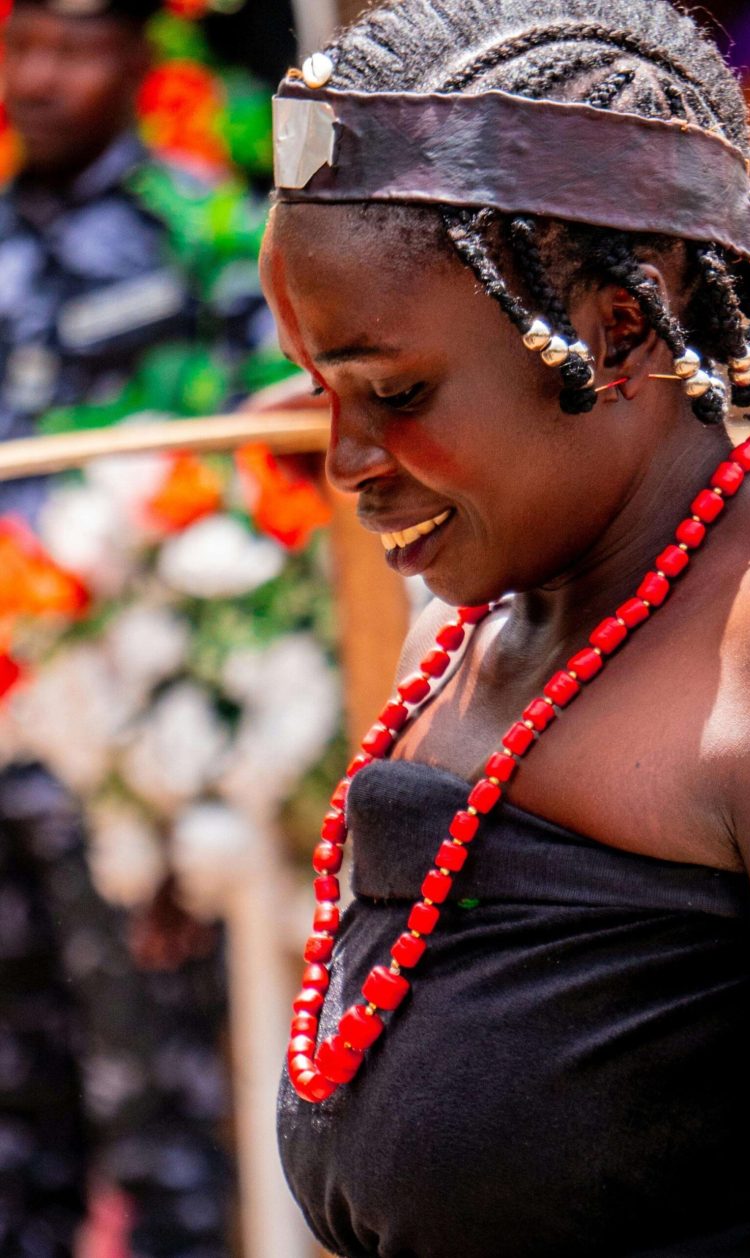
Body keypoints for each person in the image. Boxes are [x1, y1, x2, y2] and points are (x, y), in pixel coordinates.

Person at [262, 1, 750, 1255]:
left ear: (616, 331)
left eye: (394, 391)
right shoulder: (456, 641)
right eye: (315, 389)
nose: (344, 462)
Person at [0, 1, 275, 1253]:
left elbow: (276, 445)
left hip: (142, 738)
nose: (39, 76)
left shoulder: (209, 223)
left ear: (134, 58)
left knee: (165, 1103)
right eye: (20, 45)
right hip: (9, 725)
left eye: (73, 44)